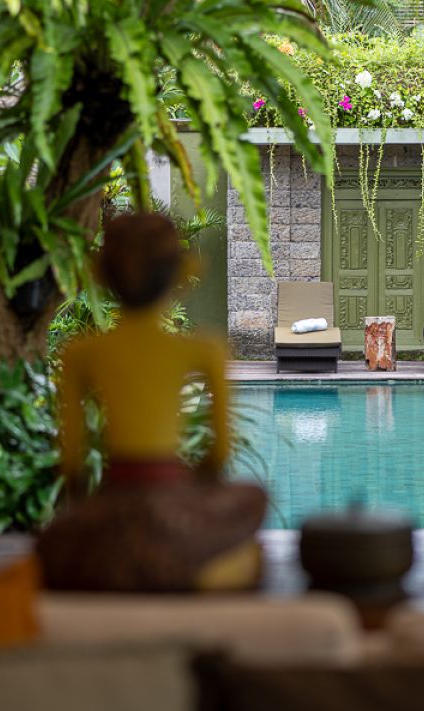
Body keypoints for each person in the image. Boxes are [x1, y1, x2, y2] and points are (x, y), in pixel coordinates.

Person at [36, 213, 267, 592]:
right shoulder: (203, 350)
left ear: (101, 275)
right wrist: (191, 500)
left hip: (114, 504)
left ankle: (113, 567)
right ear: (180, 274)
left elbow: (73, 465)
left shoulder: (82, 352)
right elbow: (219, 452)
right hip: (173, 503)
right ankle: (195, 573)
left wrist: (91, 513)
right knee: (253, 499)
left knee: (56, 547)